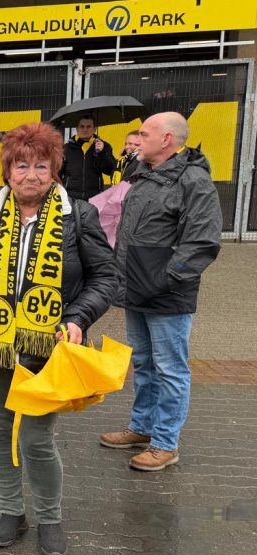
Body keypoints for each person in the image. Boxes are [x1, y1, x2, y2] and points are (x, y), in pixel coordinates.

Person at [0, 122, 118, 555]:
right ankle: (10, 511)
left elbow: (105, 275)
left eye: (42, 166)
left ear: (55, 170)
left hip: (47, 350)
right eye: (22, 165)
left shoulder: (77, 216)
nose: (31, 175)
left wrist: (78, 318)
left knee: (37, 439)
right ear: (8, 170)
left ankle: (50, 516)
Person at [100, 112, 222, 472]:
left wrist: (167, 279)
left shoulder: (193, 181)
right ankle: (142, 427)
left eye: (145, 133)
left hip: (167, 295)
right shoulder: (144, 176)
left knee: (169, 368)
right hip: (138, 290)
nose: (137, 139)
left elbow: (202, 242)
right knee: (145, 364)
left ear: (167, 139)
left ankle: (166, 443)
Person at [59, 115, 115, 201]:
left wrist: (102, 153)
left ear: (94, 129)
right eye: (82, 126)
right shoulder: (65, 148)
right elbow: (57, 173)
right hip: (70, 198)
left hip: (95, 198)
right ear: (77, 129)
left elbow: (110, 170)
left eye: (89, 126)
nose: (85, 129)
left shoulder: (104, 146)